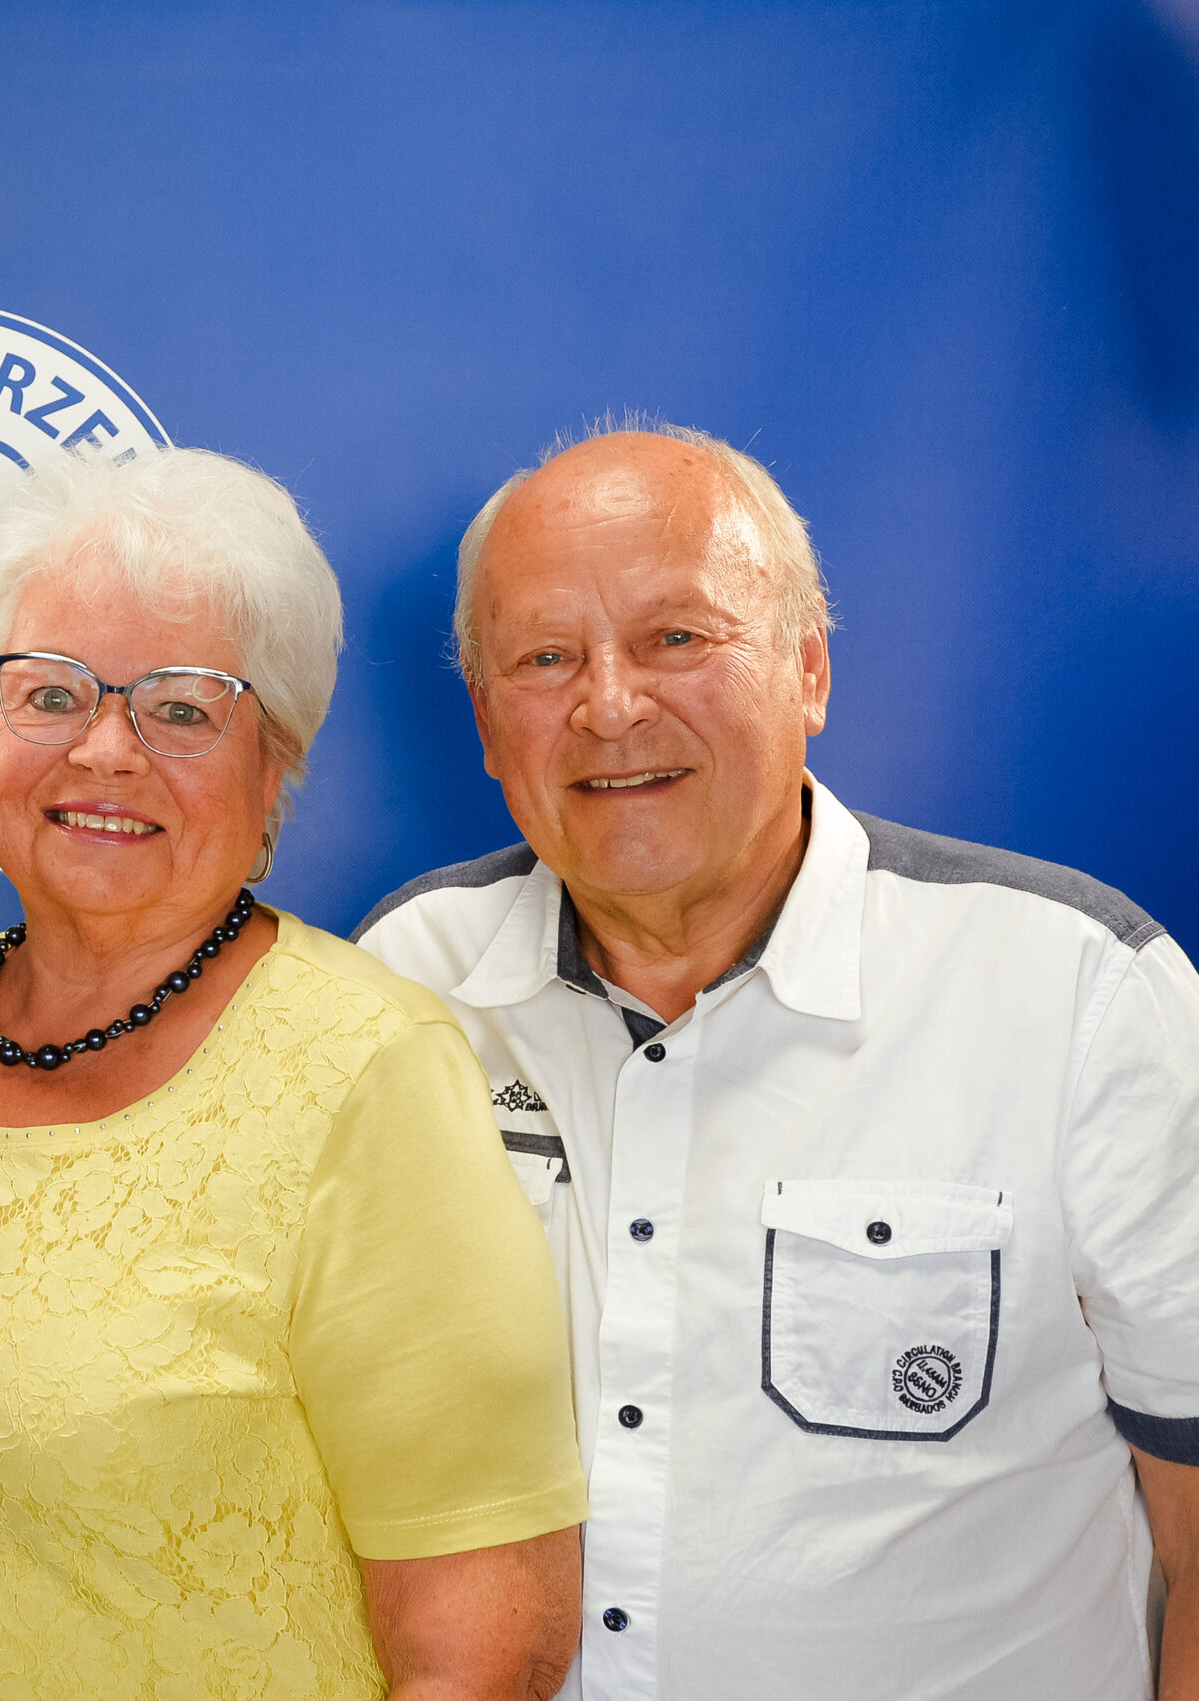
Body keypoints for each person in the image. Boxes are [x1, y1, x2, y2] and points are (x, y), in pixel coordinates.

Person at [352, 423, 1199, 1701]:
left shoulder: (1079, 994)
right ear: (484, 719)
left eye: (674, 638)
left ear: (808, 668)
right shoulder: (410, 977)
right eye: (544, 658)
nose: (608, 705)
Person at [0, 446, 588, 1701]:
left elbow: (488, 1654)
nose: (105, 750)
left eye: (183, 709)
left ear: (275, 768)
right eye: (48, 694)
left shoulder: (369, 1069)